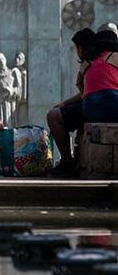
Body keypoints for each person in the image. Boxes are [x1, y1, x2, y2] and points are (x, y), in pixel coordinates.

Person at [47, 28, 97, 177]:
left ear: (80, 48)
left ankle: (67, 162)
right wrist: (65, 103)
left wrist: (63, 104)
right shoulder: (110, 58)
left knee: (54, 117)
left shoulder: (88, 64)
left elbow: (85, 95)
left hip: (95, 108)